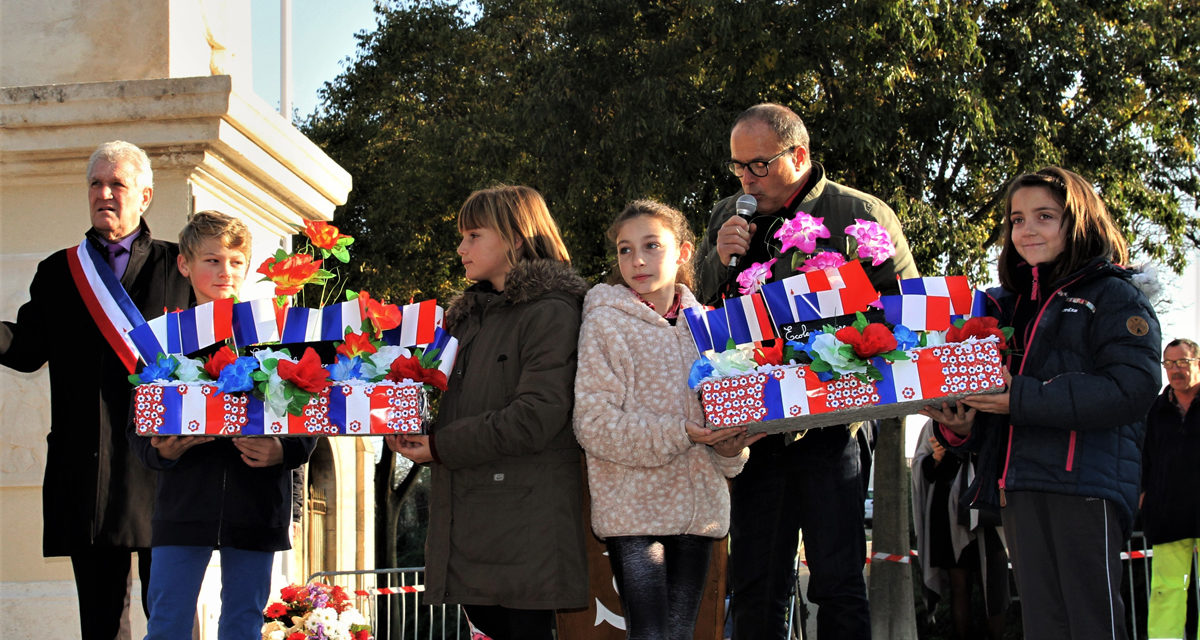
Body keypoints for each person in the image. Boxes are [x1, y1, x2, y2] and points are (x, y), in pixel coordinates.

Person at [695, 103, 918, 640]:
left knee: (838, 579)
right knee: (755, 581)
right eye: (738, 166)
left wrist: (851, 348)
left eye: (759, 165)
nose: (747, 178)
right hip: (755, 425)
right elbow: (699, 311)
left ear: (798, 155)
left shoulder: (858, 212)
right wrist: (716, 258)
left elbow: (906, 315)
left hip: (833, 425)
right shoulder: (729, 214)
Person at [922, 166, 1161, 640]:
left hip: (1086, 484)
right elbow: (1000, 411)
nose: (1026, 230)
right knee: (1043, 624)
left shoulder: (1115, 295)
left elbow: (1132, 389)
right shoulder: (1005, 306)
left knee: (1091, 622)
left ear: (1078, 223)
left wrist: (1018, 397)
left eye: (1044, 216)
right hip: (1019, 487)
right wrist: (963, 428)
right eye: (1016, 219)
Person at [0, 140, 193, 640]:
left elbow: (213, 357)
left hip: (165, 464)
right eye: (95, 183)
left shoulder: (181, 267)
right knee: (102, 625)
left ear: (145, 196)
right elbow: (24, 351)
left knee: (171, 615)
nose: (104, 193)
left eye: (117, 184)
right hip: (90, 470)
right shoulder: (59, 271)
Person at [386, 185, 589, 640]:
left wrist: (439, 446)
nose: (461, 248)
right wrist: (408, 427)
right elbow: (461, 406)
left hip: (527, 519)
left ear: (516, 238)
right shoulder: (466, 319)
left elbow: (537, 416)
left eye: (474, 235)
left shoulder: (553, 312)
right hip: (473, 514)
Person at [573, 200, 761, 639]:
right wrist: (680, 433)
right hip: (632, 513)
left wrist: (732, 450)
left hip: (698, 515)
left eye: (651, 245)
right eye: (624, 249)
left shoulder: (711, 328)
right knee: (652, 634)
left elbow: (725, 424)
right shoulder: (604, 323)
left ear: (684, 252)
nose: (636, 260)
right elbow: (593, 424)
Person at [127, 210, 317, 639]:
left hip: (256, 505)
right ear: (184, 265)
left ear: (247, 267)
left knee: (242, 625)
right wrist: (160, 451)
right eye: (211, 260)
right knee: (168, 624)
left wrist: (283, 450)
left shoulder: (277, 333)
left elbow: (310, 416)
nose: (224, 271)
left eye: (234, 261)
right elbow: (136, 425)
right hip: (183, 506)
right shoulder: (161, 339)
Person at [911, 420, 1009, 640]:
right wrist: (936, 457)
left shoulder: (992, 417)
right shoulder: (936, 423)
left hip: (988, 511)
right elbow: (923, 470)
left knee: (995, 584)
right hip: (949, 515)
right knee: (959, 584)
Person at [1141, 337, 1200, 640]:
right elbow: (1144, 457)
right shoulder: (1156, 410)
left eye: (1183, 362)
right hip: (1166, 515)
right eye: (1169, 364)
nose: (1175, 370)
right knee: (1166, 591)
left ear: (1198, 364)